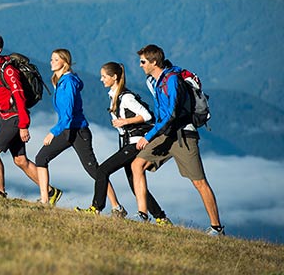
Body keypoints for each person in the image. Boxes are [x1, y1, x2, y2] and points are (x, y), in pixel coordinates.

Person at [131, 44, 225, 235]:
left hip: (184, 136)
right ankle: (142, 214)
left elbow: (171, 114)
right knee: (137, 165)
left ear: (154, 62)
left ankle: (216, 227)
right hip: (166, 134)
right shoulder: (156, 80)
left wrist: (148, 136)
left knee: (199, 182)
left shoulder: (172, 80)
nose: (140, 65)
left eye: (143, 62)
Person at [75, 62, 172, 225]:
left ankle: (95, 208)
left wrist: (125, 121)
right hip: (127, 143)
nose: (101, 79)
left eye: (104, 76)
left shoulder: (126, 97)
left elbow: (147, 116)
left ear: (114, 77)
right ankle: (161, 218)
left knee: (103, 170)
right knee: (135, 185)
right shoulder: (114, 95)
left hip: (135, 143)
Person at [35, 49, 125, 215]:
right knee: (41, 158)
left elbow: (68, 115)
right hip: (67, 130)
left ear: (65, 61)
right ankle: (45, 200)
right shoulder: (60, 80)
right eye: (51, 59)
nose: (51, 62)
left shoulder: (68, 83)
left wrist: (52, 132)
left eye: (55, 59)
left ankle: (117, 207)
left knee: (95, 171)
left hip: (78, 132)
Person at [0, 33, 62, 203]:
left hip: (15, 119)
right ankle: (50, 191)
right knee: (20, 161)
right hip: (4, 118)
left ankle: (0, 192)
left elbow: (19, 97)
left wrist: (24, 125)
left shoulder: (8, 71)